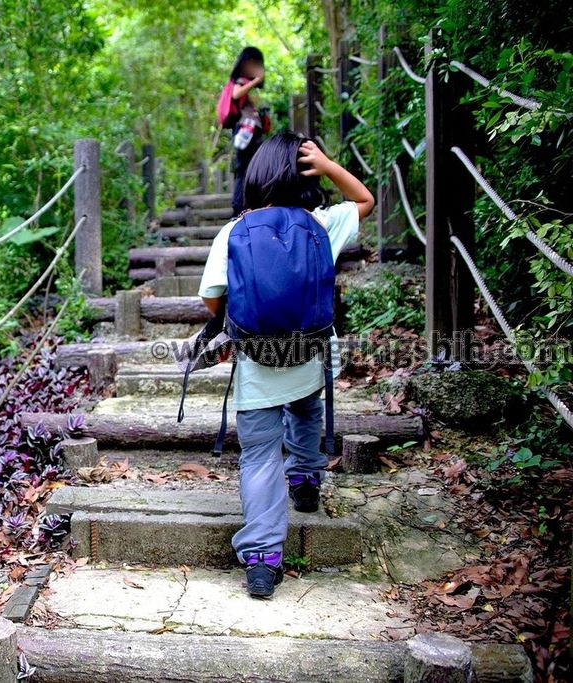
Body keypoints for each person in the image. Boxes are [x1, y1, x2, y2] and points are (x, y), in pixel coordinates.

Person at [197, 133, 375, 598]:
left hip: (258, 363)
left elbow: (210, 297)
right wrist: (330, 163)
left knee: (257, 456)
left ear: (256, 175)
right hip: (311, 355)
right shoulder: (322, 224)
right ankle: (305, 477)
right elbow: (365, 199)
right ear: (305, 176)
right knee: (305, 409)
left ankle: (261, 558)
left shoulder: (234, 231)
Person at [227, 46, 268, 216]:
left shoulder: (250, 85)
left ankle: (249, 205)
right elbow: (235, 94)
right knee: (244, 168)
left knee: (254, 167)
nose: (256, 67)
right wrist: (255, 81)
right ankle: (239, 207)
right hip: (245, 132)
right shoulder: (241, 82)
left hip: (253, 132)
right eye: (253, 63)